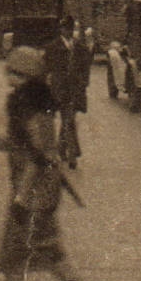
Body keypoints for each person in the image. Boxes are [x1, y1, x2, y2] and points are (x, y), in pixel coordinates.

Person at [0, 44, 113, 281]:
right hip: (43, 194)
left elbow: (39, 156)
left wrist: (21, 200)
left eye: (15, 72)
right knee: (54, 258)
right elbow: (21, 145)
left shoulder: (29, 106)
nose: (8, 75)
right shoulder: (30, 102)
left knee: (13, 262)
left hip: (33, 197)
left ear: (26, 76)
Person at [45, 15, 93, 167]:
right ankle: (72, 155)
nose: (69, 32)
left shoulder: (80, 48)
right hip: (59, 90)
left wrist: (84, 82)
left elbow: (86, 68)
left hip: (76, 89)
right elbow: (47, 69)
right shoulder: (52, 47)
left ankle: (61, 149)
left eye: (71, 29)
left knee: (68, 119)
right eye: (66, 29)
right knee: (68, 120)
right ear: (61, 30)